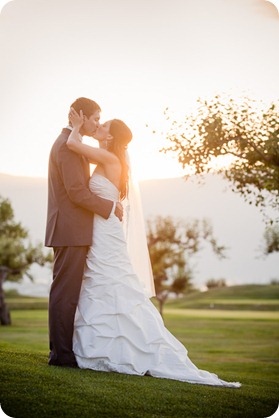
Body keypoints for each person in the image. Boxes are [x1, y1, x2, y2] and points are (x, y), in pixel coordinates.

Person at [66, 108, 241, 388]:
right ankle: (108, 349)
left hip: (105, 232)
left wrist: (76, 125)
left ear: (111, 137)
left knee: (110, 282)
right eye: (98, 123)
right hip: (102, 228)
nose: (98, 127)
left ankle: (121, 350)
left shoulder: (109, 158)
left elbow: (72, 145)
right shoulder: (108, 157)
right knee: (104, 283)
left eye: (104, 125)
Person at [45, 97, 123, 368]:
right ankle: (61, 355)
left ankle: (63, 350)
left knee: (67, 292)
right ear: (80, 116)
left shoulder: (73, 143)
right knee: (65, 294)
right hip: (70, 229)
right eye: (96, 119)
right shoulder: (68, 148)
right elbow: (76, 193)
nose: (98, 124)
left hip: (72, 229)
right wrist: (110, 207)